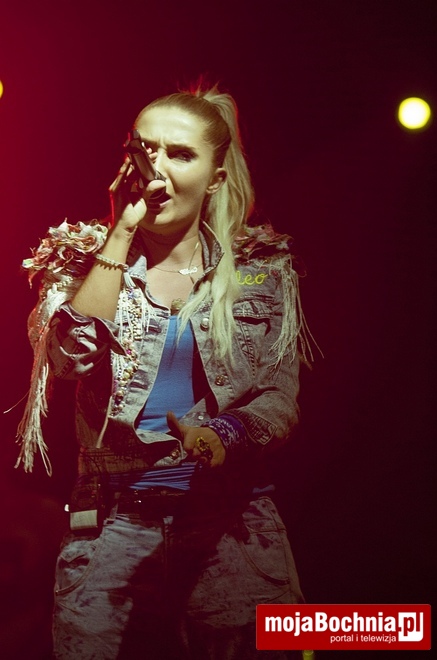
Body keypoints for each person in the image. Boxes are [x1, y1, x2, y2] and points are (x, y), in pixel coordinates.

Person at [17, 83, 314, 659]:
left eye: (180, 154)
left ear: (216, 177)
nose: (157, 169)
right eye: (145, 149)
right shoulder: (75, 261)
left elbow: (279, 397)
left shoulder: (261, 268)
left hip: (232, 526)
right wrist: (120, 233)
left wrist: (223, 434)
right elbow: (71, 359)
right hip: (112, 527)